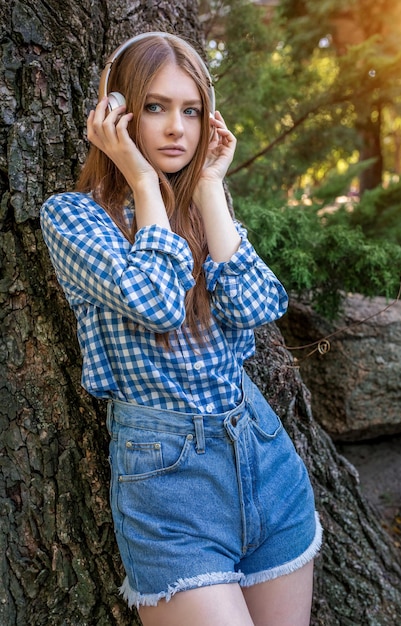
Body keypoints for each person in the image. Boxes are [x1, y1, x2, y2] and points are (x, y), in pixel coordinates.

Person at [40, 31, 322, 626]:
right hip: (168, 483)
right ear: (115, 113)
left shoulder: (203, 206)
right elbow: (161, 303)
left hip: (263, 459)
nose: (177, 129)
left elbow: (257, 305)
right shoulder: (73, 217)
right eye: (155, 107)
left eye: (190, 110)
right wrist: (143, 184)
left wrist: (213, 186)